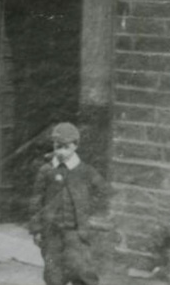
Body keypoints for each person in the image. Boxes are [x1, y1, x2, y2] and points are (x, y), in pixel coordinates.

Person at [29, 122, 107, 285]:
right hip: (52, 232)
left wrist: (88, 209)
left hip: (76, 232)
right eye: (58, 147)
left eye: (66, 147)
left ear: (75, 146)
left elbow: (102, 191)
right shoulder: (46, 171)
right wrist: (36, 229)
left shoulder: (85, 171)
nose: (61, 152)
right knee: (53, 273)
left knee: (82, 270)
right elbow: (36, 200)